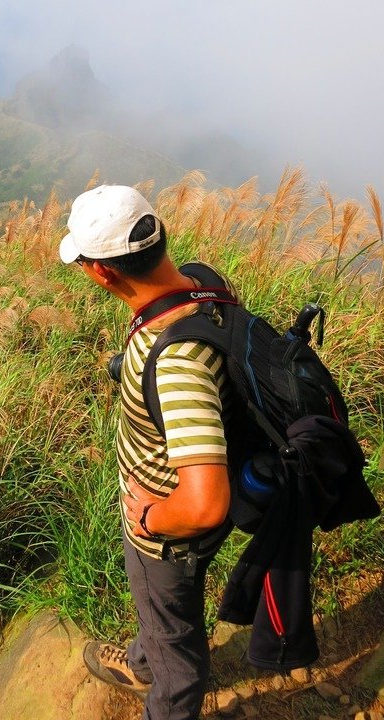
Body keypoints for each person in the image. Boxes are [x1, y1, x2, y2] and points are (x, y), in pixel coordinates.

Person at [59, 184, 234, 720]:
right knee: (161, 616)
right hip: (169, 521)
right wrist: (131, 365)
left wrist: (152, 517)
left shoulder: (175, 364)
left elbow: (206, 503)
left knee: (179, 657)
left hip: (167, 532)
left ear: (102, 272)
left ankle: (167, 699)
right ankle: (142, 660)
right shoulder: (204, 284)